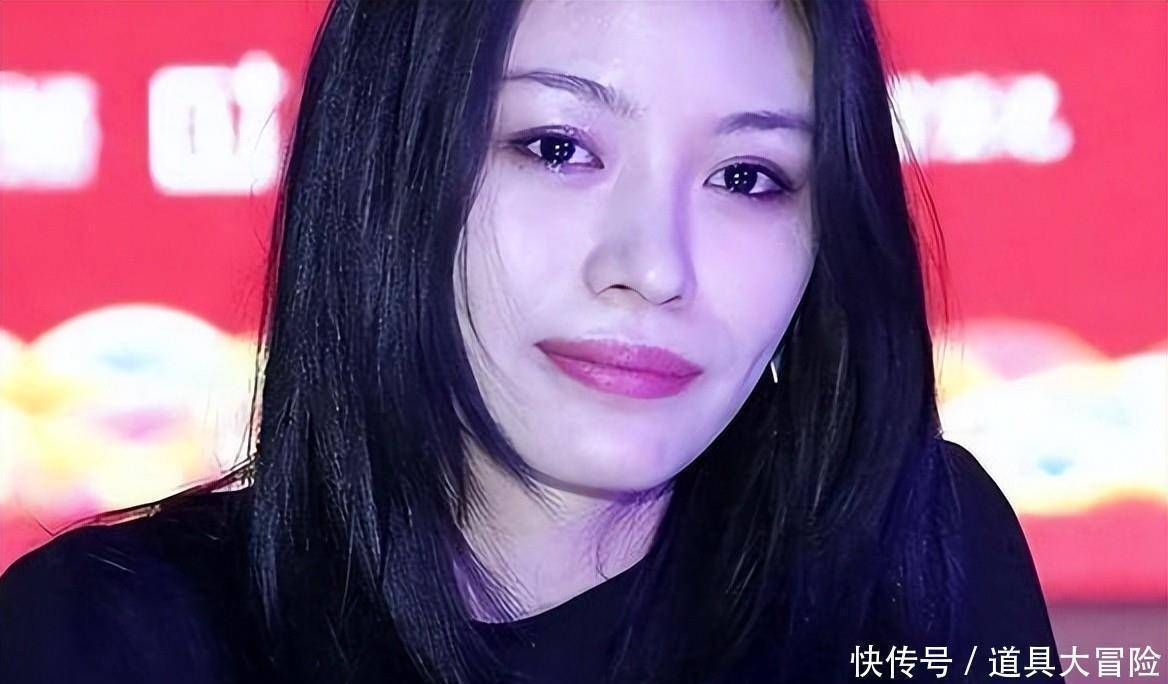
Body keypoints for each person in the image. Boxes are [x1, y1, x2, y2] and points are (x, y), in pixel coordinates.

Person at [0, 1, 1064, 682]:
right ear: (385, 169)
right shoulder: (105, 640)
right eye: (557, 148)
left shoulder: (918, 560)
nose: (655, 266)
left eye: (748, 178)